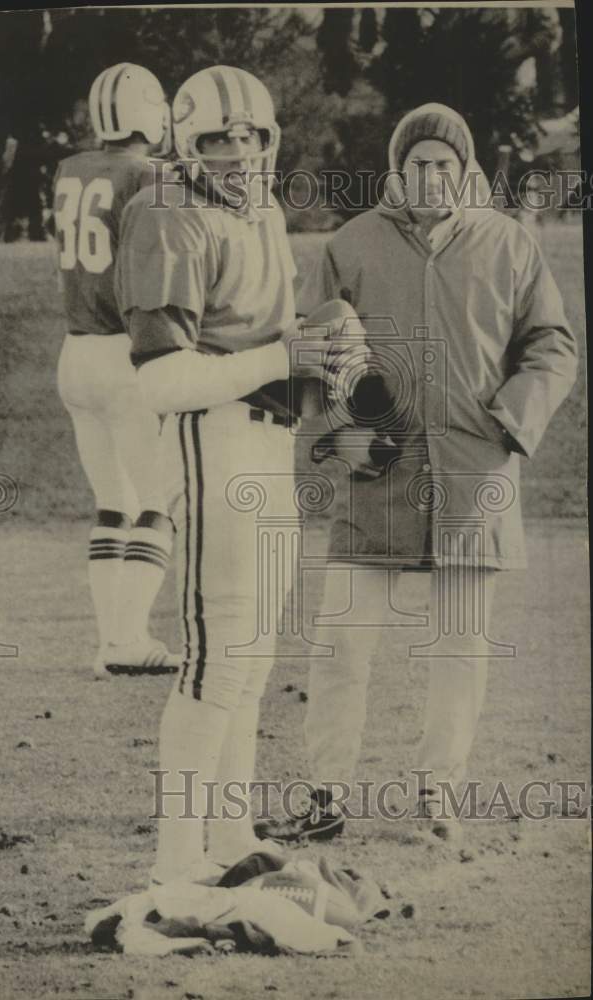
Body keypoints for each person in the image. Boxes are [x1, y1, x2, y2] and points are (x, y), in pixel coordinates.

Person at [259, 102, 578, 844]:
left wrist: (509, 421)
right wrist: (338, 433)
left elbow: (552, 346)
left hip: (475, 468)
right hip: (377, 469)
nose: (431, 175)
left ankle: (440, 796)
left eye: (444, 163)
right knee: (340, 643)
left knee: (459, 645)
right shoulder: (351, 245)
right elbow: (314, 352)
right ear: (395, 172)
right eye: (416, 163)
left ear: (465, 170)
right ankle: (325, 795)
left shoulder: (509, 244)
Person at [115, 65, 363, 884]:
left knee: (252, 656)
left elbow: (273, 339)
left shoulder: (259, 209)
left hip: (267, 437)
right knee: (216, 655)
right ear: (186, 145)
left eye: (248, 136)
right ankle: (174, 862)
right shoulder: (164, 213)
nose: (235, 151)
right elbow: (160, 378)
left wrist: (329, 343)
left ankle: (225, 838)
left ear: (269, 140)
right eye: (216, 138)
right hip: (207, 435)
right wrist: (283, 352)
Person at [53, 63, 180, 676]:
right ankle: (127, 640)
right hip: (121, 351)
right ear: (146, 111)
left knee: (113, 505)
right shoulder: (148, 175)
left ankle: (111, 642)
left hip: (74, 350)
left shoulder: (69, 168)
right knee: (160, 504)